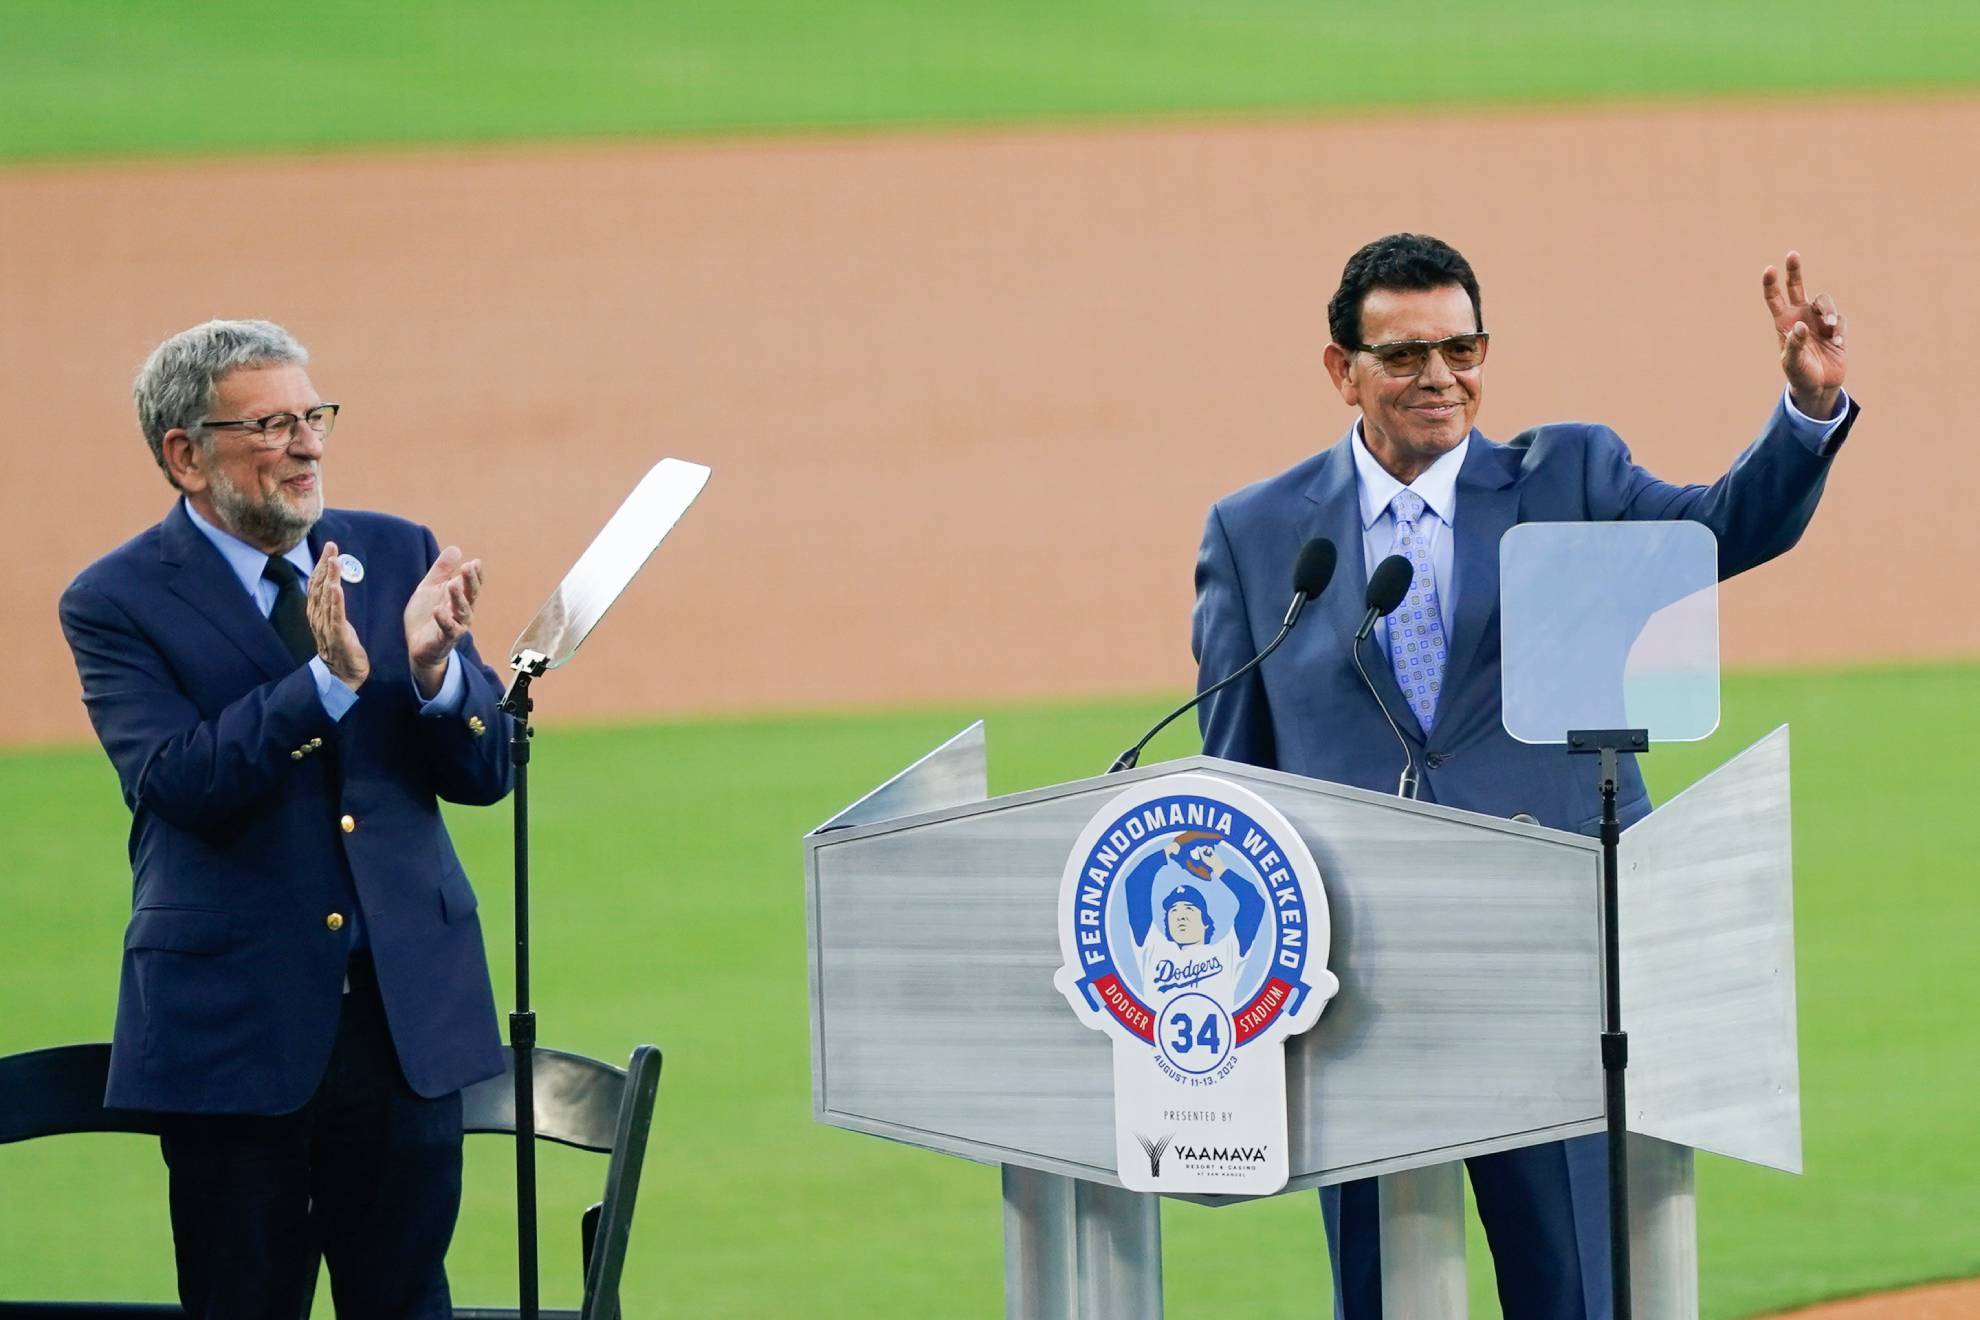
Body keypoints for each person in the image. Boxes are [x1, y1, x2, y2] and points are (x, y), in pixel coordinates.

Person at [1191, 235, 1854, 1319]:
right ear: (1340, 368)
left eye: (1463, 347)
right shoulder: (1258, 533)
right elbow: (1235, 765)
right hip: (1355, 987)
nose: (1440, 377)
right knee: (1384, 1292)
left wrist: (1806, 412)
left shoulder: (1572, 478)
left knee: (1576, 1288)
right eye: (1404, 355)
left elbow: (1722, 532)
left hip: (1550, 967)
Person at [58, 319, 514, 1317]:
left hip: (405, 1022)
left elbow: (485, 774)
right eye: (270, 424)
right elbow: (179, 781)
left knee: (403, 1300)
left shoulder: (398, 550)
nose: (307, 443)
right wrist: (327, 682)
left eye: (313, 415)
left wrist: (437, 677)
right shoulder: (115, 599)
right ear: (185, 453)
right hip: (234, 1032)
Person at [1123, 831, 1266, 1006]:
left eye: (1189, 909)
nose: (1180, 915)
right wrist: (1171, 850)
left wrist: (1219, 868)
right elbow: (1136, 882)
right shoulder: (1151, 946)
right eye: (1173, 911)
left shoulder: (1229, 951)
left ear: (1206, 923)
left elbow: (1253, 901)